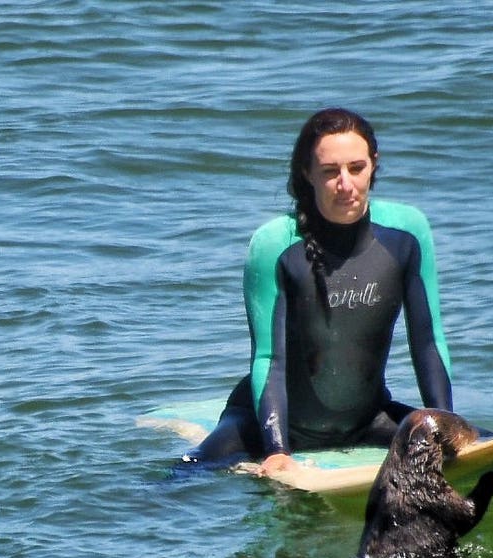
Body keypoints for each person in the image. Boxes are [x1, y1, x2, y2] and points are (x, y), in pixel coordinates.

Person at [182, 107, 455, 476]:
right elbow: (269, 358)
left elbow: (427, 341)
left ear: (374, 165)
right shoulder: (275, 244)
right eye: (330, 172)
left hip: (367, 421)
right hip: (268, 425)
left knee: (487, 445)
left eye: (356, 168)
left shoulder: (407, 234)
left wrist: (447, 428)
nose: (346, 184)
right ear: (307, 174)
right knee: (186, 474)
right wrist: (276, 449)